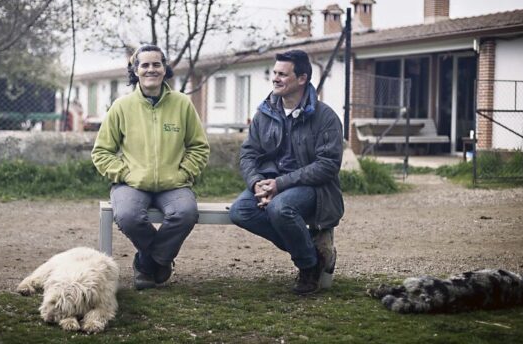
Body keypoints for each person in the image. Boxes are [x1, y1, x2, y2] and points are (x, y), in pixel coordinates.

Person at [92, 45, 209, 290]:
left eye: (156, 64)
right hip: (132, 184)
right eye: (144, 65)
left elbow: (199, 147)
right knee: (128, 216)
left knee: (186, 213)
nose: (151, 69)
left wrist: (184, 173)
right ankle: (161, 262)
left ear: (165, 69)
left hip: (174, 184)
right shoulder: (121, 107)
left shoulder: (182, 104)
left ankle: (147, 263)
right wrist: (125, 174)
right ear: (135, 71)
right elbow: (101, 152)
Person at [229, 49, 344, 295]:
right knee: (241, 211)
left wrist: (279, 184)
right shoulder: (265, 113)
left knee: (280, 207)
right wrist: (256, 183)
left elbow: (328, 165)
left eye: (283, 74)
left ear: (302, 79)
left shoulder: (325, 117)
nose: (276, 78)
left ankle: (307, 269)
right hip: (271, 184)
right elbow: (248, 154)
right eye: (275, 73)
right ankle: (312, 254)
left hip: (314, 188)